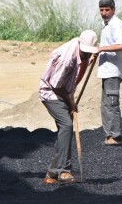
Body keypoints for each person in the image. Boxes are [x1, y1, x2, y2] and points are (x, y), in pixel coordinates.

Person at [39, 30, 98, 184]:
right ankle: (63, 171)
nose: (87, 54)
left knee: (64, 131)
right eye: (85, 52)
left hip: (63, 91)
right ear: (80, 45)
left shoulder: (81, 50)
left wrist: (91, 57)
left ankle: (52, 173)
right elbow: (56, 86)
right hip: (51, 93)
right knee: (66, 124)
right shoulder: (67, 59)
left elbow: (77, 70)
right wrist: (71, 102)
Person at [96, 0, 122, 146]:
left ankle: (116, 136)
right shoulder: (105, 25)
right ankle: (109, 134)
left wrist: (101, 49)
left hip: (113, 71)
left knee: (112, 103)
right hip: (106, 71)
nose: (104, 13)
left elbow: (120, 45)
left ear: (113, 10)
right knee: (105, 105)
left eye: (107, 10)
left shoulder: (117, 25)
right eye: (101, 10)